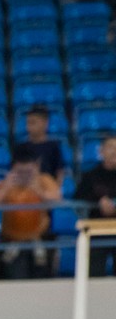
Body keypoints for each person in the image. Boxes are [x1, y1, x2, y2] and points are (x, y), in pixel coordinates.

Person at [0, 143, 63, 279]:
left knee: (42, 279)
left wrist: (39, 191)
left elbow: (57, 198)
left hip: (39, 238)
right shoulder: (6, 183)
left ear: (36, 166)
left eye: (28, 172)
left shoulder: (44, 180)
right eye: (21, 172)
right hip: (12, 240)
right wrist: (6, 187)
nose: (24, 176)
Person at [74, 135, 116, 276]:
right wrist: (98, 202)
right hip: (96, 230)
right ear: (101, 151)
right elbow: (78, 198)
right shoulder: (90, 176)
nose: (114, 151)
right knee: (94, 274)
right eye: (110, 147)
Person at [22, 106, 68, 181]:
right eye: (28, 123)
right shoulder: (22, 148)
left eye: (33, 123)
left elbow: (59, 172)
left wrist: (53, 187)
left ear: (45, 123)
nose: (29, 127)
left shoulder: (53, 147)